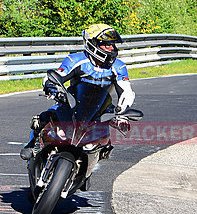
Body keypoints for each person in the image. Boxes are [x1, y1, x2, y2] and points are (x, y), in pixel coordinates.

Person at [20, 23, 136, 160]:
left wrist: (122, 114)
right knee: (44, 117)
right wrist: (52, 87)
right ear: (92, 44)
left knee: (105, 145)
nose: (111, 48)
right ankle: (33, 145)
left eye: (113, 45)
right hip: (71, 104)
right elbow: (56, 75)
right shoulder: (75, 59)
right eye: (106, 44)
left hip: (97, 112)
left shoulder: (119, 66)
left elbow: (126, 91)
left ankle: (86, 172)